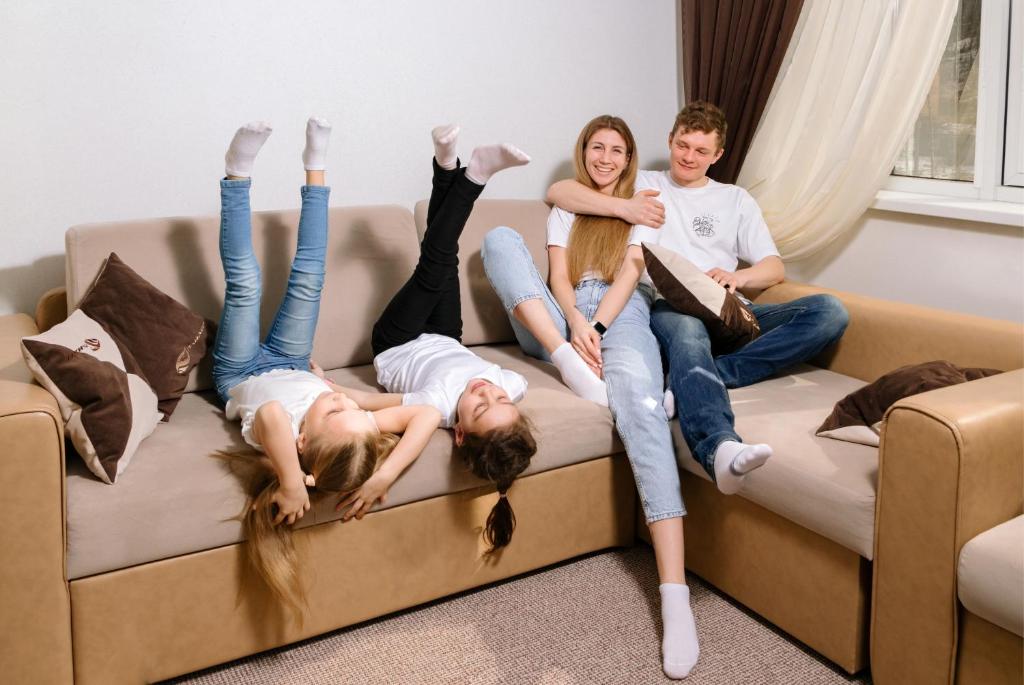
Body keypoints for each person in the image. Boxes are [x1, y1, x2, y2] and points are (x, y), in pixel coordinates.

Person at [482, 115, 699, 680]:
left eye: (617, 150)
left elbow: (630, 274)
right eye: (596, 148)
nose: (606, 158)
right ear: (584, 152)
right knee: (499, 239)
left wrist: (596, 329)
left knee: (641, 407)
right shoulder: (566, 206)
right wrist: (573, 323)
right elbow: (556, 276)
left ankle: (673, 591)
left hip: (620, 314)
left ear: (629, 160)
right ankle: (570, 367)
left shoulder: (646, 204)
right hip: (557, 317)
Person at [549, 101, 848, 498]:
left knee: (829, 312)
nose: (689, 157)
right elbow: (561, 191)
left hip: (728, 309)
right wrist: (624, 206)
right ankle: (719, 445)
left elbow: (774, 267)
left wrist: (738, 276)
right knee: (689, 337)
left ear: (718, 155)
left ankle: (709, 375)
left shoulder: (735, 199)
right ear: (670, 141)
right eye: (682, 146)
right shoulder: (642, 182)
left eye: (701, 151)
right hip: (671, 306)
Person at [212, 118, 440, 621]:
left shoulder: (279, 436)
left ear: (301, 442)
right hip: (294, 360)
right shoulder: (352, 425)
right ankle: (316, 166)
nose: (340, 398)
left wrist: (293, 482)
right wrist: (385, 474)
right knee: (311, 271)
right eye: (348, 406)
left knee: (246, 282)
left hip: (240, 371)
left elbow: (271, 411)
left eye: (332, 408)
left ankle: (237, 174)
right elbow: (423, 411)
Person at [330, 125, 537, 556]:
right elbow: (503, 400)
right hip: (446, 336)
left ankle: (474, 174)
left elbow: (384, 411)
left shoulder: (438, 405)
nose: (487, 393)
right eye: (499, 401)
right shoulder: (512, 387)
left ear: (459, 433)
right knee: (443, 257)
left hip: (398, 341)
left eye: (480, 408)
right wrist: (500, 404)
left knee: (433, 265)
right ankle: (446, 164)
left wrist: (380, 476)